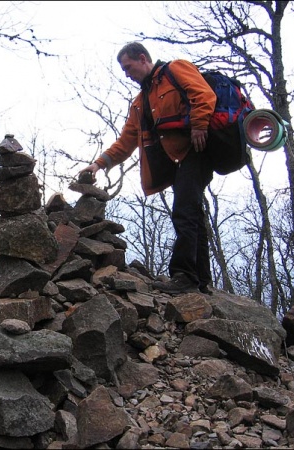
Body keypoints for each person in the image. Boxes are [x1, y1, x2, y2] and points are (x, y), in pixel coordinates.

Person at [79, 42, 216, 295]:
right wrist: (99, 164)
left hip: (194, 152)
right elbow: (126, 141)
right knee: (192, 214)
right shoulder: (140, 102)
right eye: (123, 70)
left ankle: (184, 277)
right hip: (175, 161)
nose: (126, 73)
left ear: (143, 59)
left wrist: (199, 124)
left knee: (185, 212)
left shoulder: (176, 70)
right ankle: (200, 279)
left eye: (128, 67)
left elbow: (204, 94)